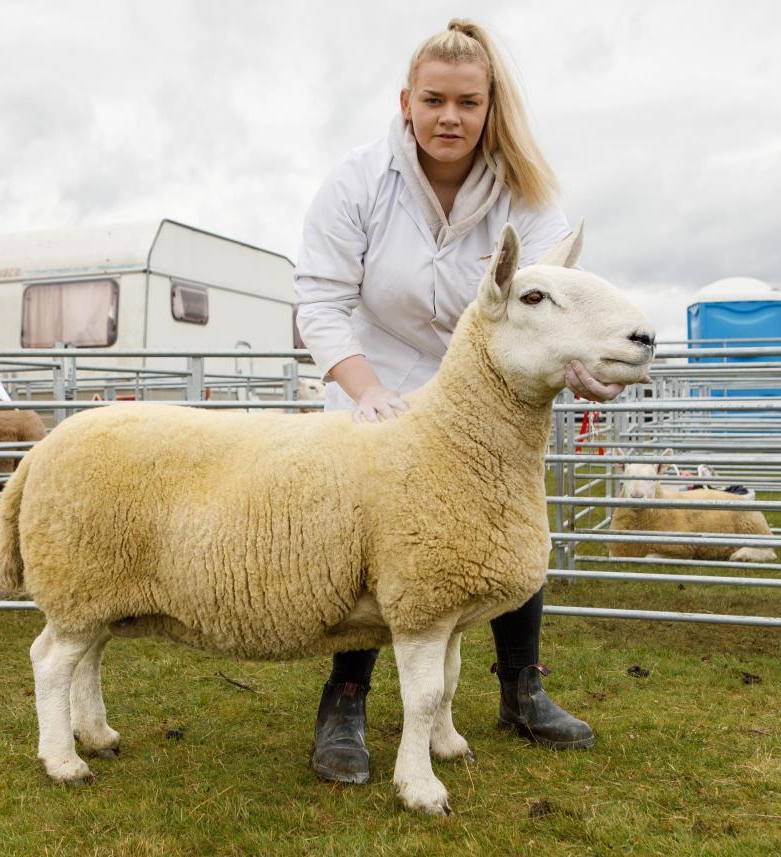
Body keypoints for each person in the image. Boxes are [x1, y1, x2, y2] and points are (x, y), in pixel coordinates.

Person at [293, 19, 632, 784]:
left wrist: (577, 365)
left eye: (468, 102)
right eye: (435, 99)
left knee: (507, 522)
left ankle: (523, 686)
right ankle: (345, 698)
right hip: (378, 377)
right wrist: (365, 389)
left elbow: (555, 301)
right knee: (374, 536)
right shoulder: (358, 181)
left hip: (492, 391)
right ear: (406, 102)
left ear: (489, 107)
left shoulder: (526, 194)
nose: (450, 116)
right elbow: (319, 295)